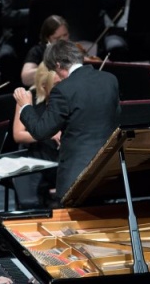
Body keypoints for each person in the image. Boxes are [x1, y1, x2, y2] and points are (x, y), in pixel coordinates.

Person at [13, 40, 120, 200]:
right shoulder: (110, 80)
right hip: (108, 168)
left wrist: (26, 106)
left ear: (58, 65)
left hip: (77, 175)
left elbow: (41, 131)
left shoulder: (63, 90)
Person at [0, 0, 77, 88]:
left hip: (55, 37)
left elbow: (76, 13)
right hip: (22, 33)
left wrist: (61, 4)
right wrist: (38, 8)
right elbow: (6, 15)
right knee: (6, 56)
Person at [13, 63, 60, 209]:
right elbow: (18, 134)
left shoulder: (63, 99)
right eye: (56, 84)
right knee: (30, 202)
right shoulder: (27, 98)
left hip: (59, 157)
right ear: (43, 85)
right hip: (35, 157)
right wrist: (48, 134)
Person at [21, 14, 70, 87]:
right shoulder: (37, 51)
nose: (62, 40)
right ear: (47, 38)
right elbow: (25, 78)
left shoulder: (72, 49)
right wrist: (52, 68)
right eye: (57, 38)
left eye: (65, 35)